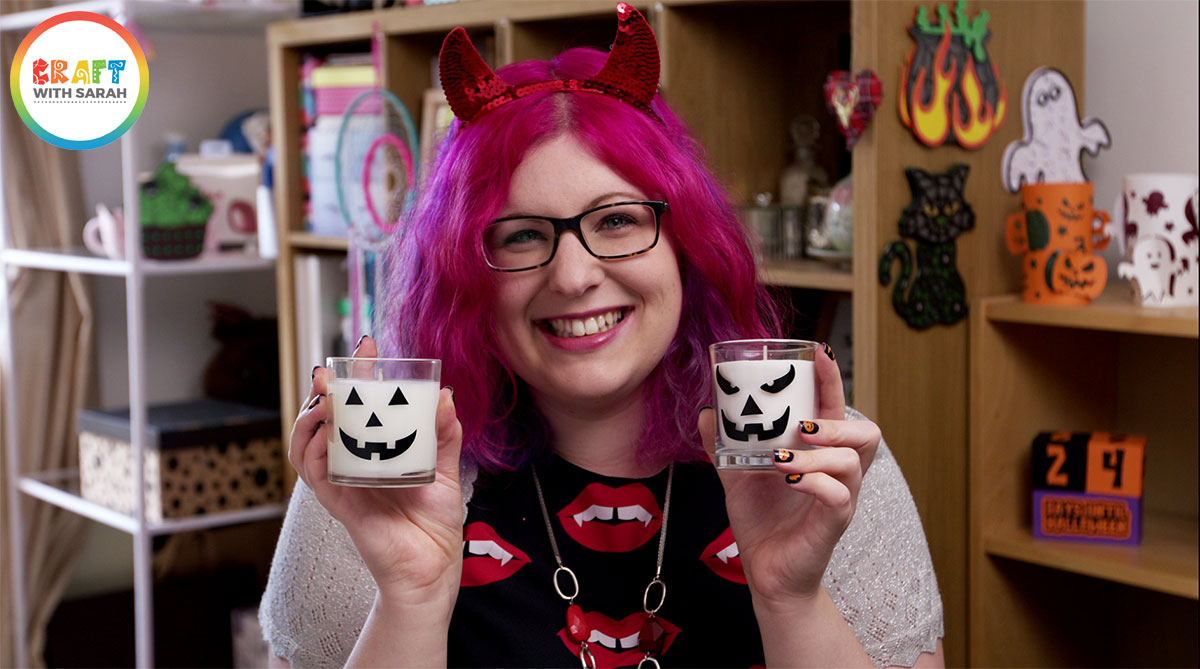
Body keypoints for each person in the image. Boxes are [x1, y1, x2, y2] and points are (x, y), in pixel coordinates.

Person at [260, 5, 944, 667]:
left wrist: (791, 598)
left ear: (686, 243)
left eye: (616, 220)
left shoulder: (820, 459)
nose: (575, 275)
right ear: (468, 272)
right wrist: (407, 598)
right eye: (523, 234)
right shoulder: (379, 471)